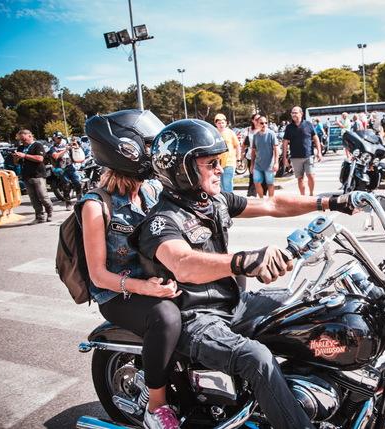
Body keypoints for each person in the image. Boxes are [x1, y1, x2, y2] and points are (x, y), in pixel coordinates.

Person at [131, 118, 358, 429]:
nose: (219, 169)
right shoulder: (162, 220)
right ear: (182, 169)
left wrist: (331, 202)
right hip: (196, 318)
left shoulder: (214, 201)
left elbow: (273, 204)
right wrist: (244, 261)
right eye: (211, 163)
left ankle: (317, 393)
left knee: (309, 307)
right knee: (257, 358)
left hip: (233, 303)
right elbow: (183, 262)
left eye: (219, 162)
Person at [79, 109, 183, 429]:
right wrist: (145, 287)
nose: (157, 154)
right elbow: (98, 275)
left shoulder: (151, 191)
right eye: (150, 146)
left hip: (155, 282)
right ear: (126, 150)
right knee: (166, 317)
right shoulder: (95, 206)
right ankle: (156, 407)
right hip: (118, 293)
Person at [13, 129, 53, 223]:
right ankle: (39, 216)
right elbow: (16, 163)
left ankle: (49, 212)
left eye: (24, 139)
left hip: (38, 174)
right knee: (33, 198)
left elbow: (40, 158)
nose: (22, 141)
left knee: (43, 196)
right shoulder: (21, 148)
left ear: (30, 136)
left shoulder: (37, 145)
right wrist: (16, 158)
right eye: (21, 140)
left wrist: (24, 155)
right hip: (26, 175)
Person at [282, 106, 322, 196]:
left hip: (308, 155)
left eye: (295, 112)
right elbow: (285, 143)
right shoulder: (289, 127)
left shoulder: (308, 124)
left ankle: (311, 194)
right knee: (300, 179)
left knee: (311, 176)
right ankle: (303, 197)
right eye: (292, 113)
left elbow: (316, 138)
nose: (293, 114)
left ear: (301, 114)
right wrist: (284, 158)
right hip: (295, 157)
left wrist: (319, 152)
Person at [48, 132, 84, 209]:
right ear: (54, 138)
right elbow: (56, 156)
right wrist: (66, 149)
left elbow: (77, 150)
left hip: (71, 166)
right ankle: (68, 203)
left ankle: (80, 200)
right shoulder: (53, 148)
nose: (59, 139)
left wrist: (75, 145)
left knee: (78, 183)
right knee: (66, 185)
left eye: (60, 137)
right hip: (61, 168)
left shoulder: (67, 144)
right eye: (58, 138)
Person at [251, 115, 278, 198]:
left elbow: (276, 149)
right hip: (258, 165)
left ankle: (271, 201)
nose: (264, 125)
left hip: (269, 165)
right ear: (258, 124)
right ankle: (261, 199)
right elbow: (253, 151)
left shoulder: (271, 134)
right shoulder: (255, 136)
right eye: (262, 123)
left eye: (266, 123)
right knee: (256, 182)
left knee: (270, 183)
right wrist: (252, 164)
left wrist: (276, 163)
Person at [214, 113, 241, 193]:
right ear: (215, 124)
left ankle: (230, 200)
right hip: (217, 163)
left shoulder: (230, 132)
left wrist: (238, 159)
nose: (221, 125)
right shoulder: (214, 133)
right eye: (219, 123)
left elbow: (237, 146)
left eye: (223, 123)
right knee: (220, 186)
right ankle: (224, 200)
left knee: (227, 183)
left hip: (229, 162)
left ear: (226, 123)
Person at [242, 113, 261, 197]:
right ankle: (252, 193)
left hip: (262, 156)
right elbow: (244, 144)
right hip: (251, 155)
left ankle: (259, 192)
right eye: (256, 119)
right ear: (252, 120)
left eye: (259, 119)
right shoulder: (248, 130)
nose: (258, 121)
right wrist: (242, 154)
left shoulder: (263, 128)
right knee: (252, 174)